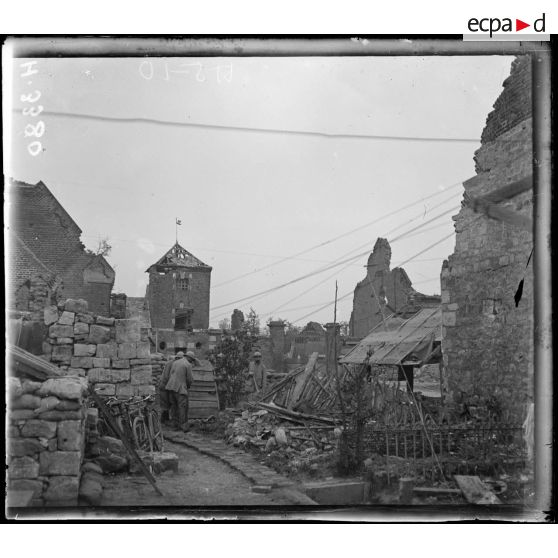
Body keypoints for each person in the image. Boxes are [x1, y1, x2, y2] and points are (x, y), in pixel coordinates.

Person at [165, 350, 195, 432]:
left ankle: (174, 425)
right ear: (189, 358)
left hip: (171, 387)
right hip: (180, 389)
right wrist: (187, 386)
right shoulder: (187, 364)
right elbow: (189, 379)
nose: (191, 361)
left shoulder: (175, 362)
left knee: (174, 407)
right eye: (192, 360)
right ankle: (183, 426)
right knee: (182, 407)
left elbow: (171, 374)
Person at [158, 353, 180, 425]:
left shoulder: (171, 363)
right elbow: (168, 376)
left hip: (165, 385)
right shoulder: (171, 363)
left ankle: (165, 420)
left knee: (166, 403)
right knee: (166, 403)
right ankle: (164, 421)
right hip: (165, 386)